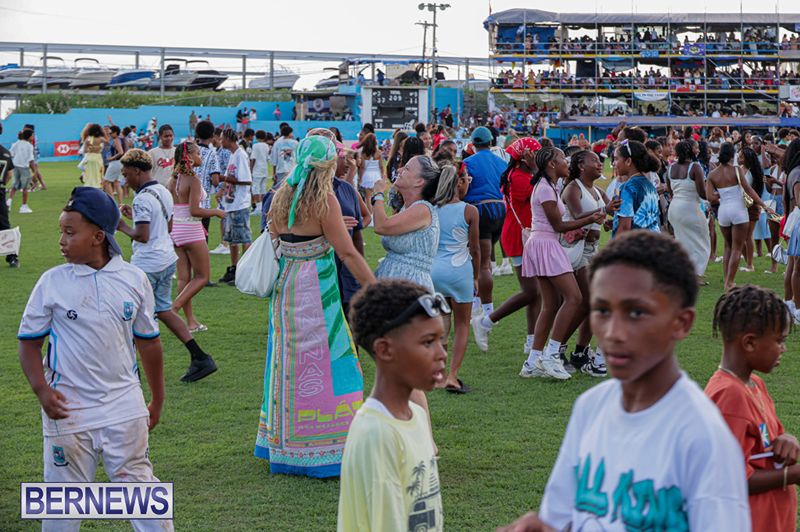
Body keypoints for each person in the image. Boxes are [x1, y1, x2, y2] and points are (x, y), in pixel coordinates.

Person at [498, 231, 751, 532]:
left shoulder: (703, 437)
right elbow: (566, 516)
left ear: (681, 323)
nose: (613, 332)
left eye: (636, 312)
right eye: (602, 310)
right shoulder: (590, 408)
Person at [17, 187, 173, 532]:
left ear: (99, 237)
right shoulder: (52, 282)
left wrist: (157, 399)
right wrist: (42, 391)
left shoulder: (134, 279)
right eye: (61, 230)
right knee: (62, 501)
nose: (61, 240)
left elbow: (149, 344)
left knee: (141, 492)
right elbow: (29, 344)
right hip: (69, 413)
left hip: (125, 409)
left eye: (70, 232)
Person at [256, 135, 375, 477]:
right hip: (317, 287)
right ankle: (328, 443)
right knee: (330, 360)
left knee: (286, 363)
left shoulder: (281, 196)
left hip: (286, 285)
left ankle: (285, 443)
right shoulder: (324, 200)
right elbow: (348, 252)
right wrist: (375, 288)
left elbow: (276, 237)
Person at [339, 280, 446, 531]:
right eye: (428, 342)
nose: (441, 353)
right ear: (385, 350)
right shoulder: (376, 434)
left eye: (442, 340)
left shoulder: (417, 416)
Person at [117, 149, 218, 383]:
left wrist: (121, 225)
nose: (125, 179)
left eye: (127, 174)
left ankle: (131, 370)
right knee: (163, 310)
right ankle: (200, 357)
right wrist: (135, 217)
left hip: (147, 265)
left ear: (138, 172)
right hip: (165, 260)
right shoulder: (162, 190)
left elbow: (141, 236)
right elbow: (167, 226)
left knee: (131, 316)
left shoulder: (142, 198)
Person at [706, 285, 797, 532]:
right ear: (749, 343)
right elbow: (729, 479)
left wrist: (786, 440)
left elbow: (770, 440)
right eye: (779, 341)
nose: (783, 349)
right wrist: (793, 475)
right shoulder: (728, 395)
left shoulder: (754, 383)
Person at [519, 147, 605, 380]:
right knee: (574, 298)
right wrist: (591, 218)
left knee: (550, 305)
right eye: (562, 159)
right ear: (552, 164)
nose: (567, 162)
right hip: (546, 244)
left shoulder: (549, 185)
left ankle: (532, 361)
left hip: (542, 244)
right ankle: (551, 355)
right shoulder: (546, 189)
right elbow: (558, 225)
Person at [471, 137, 541, 356]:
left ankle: (532, 341)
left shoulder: (523, 175)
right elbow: (544, 191)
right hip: (520, 238)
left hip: (526, 235)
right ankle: (487, 321)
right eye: (535, 155)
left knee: (536, 294)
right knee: (531, 292)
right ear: (525, 157)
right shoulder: (520, 178)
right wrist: (538, 169)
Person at [560, 149, 618, 375]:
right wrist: (604, 212)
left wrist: (607, 221)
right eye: (594, 160)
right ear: (581, 166)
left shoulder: (597, 191)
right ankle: (557, 348)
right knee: (588, 301)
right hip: (576, 250)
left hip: (593, 249)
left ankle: (579, 352)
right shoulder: (573, 188)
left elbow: (608, 212)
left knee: (591, 303)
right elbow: (576, 215)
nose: (599, 163)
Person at [430, 165, 479, 394]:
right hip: (460, 271)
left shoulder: (430, 209)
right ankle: (452, 375)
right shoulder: (470, 210)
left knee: (439, 322)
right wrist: (477, 277)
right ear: (460, 182)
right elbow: (476, 249)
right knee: (462, 326)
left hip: (433, 272)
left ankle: (437, 375)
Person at [169, 142, 226, 331]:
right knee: (202, 276)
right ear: (190, 156)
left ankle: (191, 322)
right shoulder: (192, 179)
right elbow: (194, 210)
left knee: (184, 279)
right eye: (199, 153)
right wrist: (216, 212)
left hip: (176, 230)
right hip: (191, 229)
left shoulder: (173, 179)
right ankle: (173, 309)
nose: (201, 157)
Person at [707, 142, 772, 291]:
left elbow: (710, 197)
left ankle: (726, 280)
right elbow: (749, 190)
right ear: (732, 155)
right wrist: (763, 205)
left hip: (723, 212)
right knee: (737, 248)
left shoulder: (712, 174)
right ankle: (730, 282)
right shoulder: (737, 170)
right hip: (739, 211)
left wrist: (722, 194)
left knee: (728, 247)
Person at [462, 126, 508, 322]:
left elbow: (461, 190)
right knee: (485, 263)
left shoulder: (466, 163)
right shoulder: (502, 162)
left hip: (480, 211)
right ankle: (481, 305)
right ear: (491, 142)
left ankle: (484, 310)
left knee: (481, 265)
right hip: (500, 211)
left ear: (473, 144)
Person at [667, 140, 711, 278]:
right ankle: (695, 274)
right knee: (702, 242)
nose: (697, 150)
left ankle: (682, 271)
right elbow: (702, 193)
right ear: (690, 150)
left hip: (674, 209)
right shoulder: (695, 167)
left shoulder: (671, 168)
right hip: (690, 208)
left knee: (682, 241)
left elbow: (671, 191)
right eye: (696, 148)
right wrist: (714, 195)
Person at [217, 129, 253, 285]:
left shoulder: (241, 155)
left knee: (244, 237)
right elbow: (230, 178)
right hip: (231, 203)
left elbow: (246, 180)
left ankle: (246, 271)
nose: (220, 142)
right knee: (232, 239)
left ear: (228, 139)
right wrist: (222, 189)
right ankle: (234, 268)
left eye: (222, 139)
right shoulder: (233, 155)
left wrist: (224, 178)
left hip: (240, 203)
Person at [612, 140, 661, 236]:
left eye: (616, 159)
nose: (614, 163)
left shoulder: (627, 188)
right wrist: (615, 222)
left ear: (628, 161)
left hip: (635, 245)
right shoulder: (649, 185)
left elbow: (625, 227)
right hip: (653, 241)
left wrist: (613, 249)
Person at [740, 146, 766, 272]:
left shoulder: (753, 172)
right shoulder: (738, 169)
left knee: (747, 236)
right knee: (740, 237)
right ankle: (747, 261)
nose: (739, 156)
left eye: (742, 155)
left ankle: (750, 264)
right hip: (739, 205)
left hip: (751, 206)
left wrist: (758, 204)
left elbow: (754, 190)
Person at [0, 123, 18, 267]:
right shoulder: (5, 153)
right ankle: (12, 257)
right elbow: (9, 175)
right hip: (0, 191)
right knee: (4, 224)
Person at [9, 128, 38, 213]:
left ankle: (9, 202)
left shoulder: (17, 143)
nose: (33, 137)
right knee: (25, 188)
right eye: (32, 135)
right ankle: (24, 207)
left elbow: (11, 153)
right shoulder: (30, 146)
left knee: (14, 185)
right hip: (24, 168)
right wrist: (34, 172)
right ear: (29, 136)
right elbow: (31, 160)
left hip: (15, 166)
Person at [250, 130, 271, 215]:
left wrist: (250, 169)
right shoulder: (266, 146)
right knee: (263, 188)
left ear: (256, 137)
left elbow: (253, 158)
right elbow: (267, 158)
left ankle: (258, 208)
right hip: (264, 169)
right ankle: (262, 207)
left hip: (257, 169)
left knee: (255, 188)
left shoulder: (255, 146)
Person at [357, 132, 382, 204]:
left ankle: (370, 214)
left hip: (366, 176)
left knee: (368, 198)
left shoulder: (363, 153)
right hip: (376, 175)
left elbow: (362, 167)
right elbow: (381, 166)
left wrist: (360, 178)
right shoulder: (378, 152)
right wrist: (382, 176)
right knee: (377, 197)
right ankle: (375, 212)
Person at [79, 123, 105, 191]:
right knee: (99, 173)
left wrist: (91, 148)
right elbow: (107, 143)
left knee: (89, 174)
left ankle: (88, 185)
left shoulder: (88, 138)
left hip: (89, 157)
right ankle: (98, 187)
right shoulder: (101, 139)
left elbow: (85, 150)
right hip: (98, 157)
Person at [270, 124, 297, 190]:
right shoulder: (295, 143)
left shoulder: (277, 143)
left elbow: (274, 159)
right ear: (290, 133)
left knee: (280, 189)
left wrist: (274, 173)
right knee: (291, 189)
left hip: (280, 170)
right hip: (292, 169)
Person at [103, 125, 125, 202]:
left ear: (115, 133)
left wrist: (111, 158)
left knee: (105, 182)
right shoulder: (120, 138)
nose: (110, 134)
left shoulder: (116, 140)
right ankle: (120, 203)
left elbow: (121, 152)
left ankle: (112, 201)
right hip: (120, 163)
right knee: (117, 183)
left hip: (115, 163)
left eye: (111, 133)